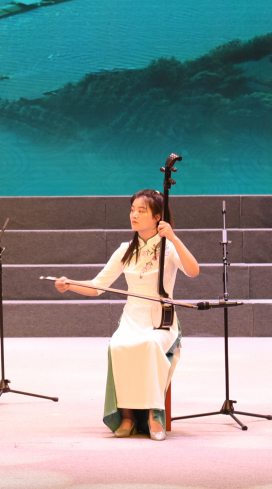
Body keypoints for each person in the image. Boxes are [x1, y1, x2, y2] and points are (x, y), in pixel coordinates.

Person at [54, 188, 200, 441]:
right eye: (132, 210)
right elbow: (97, 286)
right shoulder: (125, 249)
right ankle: (128, 416)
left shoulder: (169, 247)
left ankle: (155, 415)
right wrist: (70, 284)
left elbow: (193, 270)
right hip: (132, 317)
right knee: (118, 345)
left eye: (141, 211)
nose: (134, 215)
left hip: (160, 320)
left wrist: (174, 238)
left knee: (151, 345)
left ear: (158, 217)